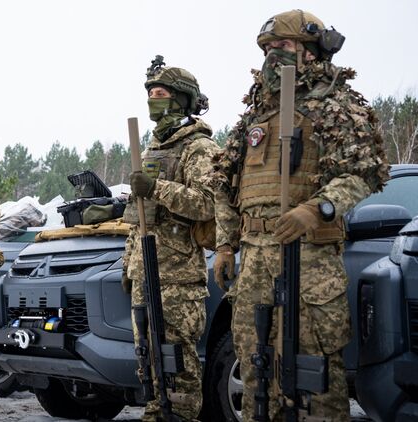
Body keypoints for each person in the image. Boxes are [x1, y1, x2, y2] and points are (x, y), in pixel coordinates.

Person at [211, 10, 390, 420]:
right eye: (268, 48)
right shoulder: (255, 116)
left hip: (307, 263)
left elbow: (364, 171)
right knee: (255, 369)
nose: (273, 55)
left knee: (313, 376)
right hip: (255, 263)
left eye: (283, 46)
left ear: (311, 50)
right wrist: (225, 245)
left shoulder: (335, 104)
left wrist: (316, 208)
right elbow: (224, 183)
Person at [122, 58, 219, 421]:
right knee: (148, 360)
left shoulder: (199, 147)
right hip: (145, 272)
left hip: (177, 276)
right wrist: (128, 263)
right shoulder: (152, 149)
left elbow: (208, 203)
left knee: (176, 363)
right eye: (150, 94)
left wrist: (157, 188)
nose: (153, 100)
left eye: (160, 93)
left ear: (181, 99)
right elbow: (139, 217)